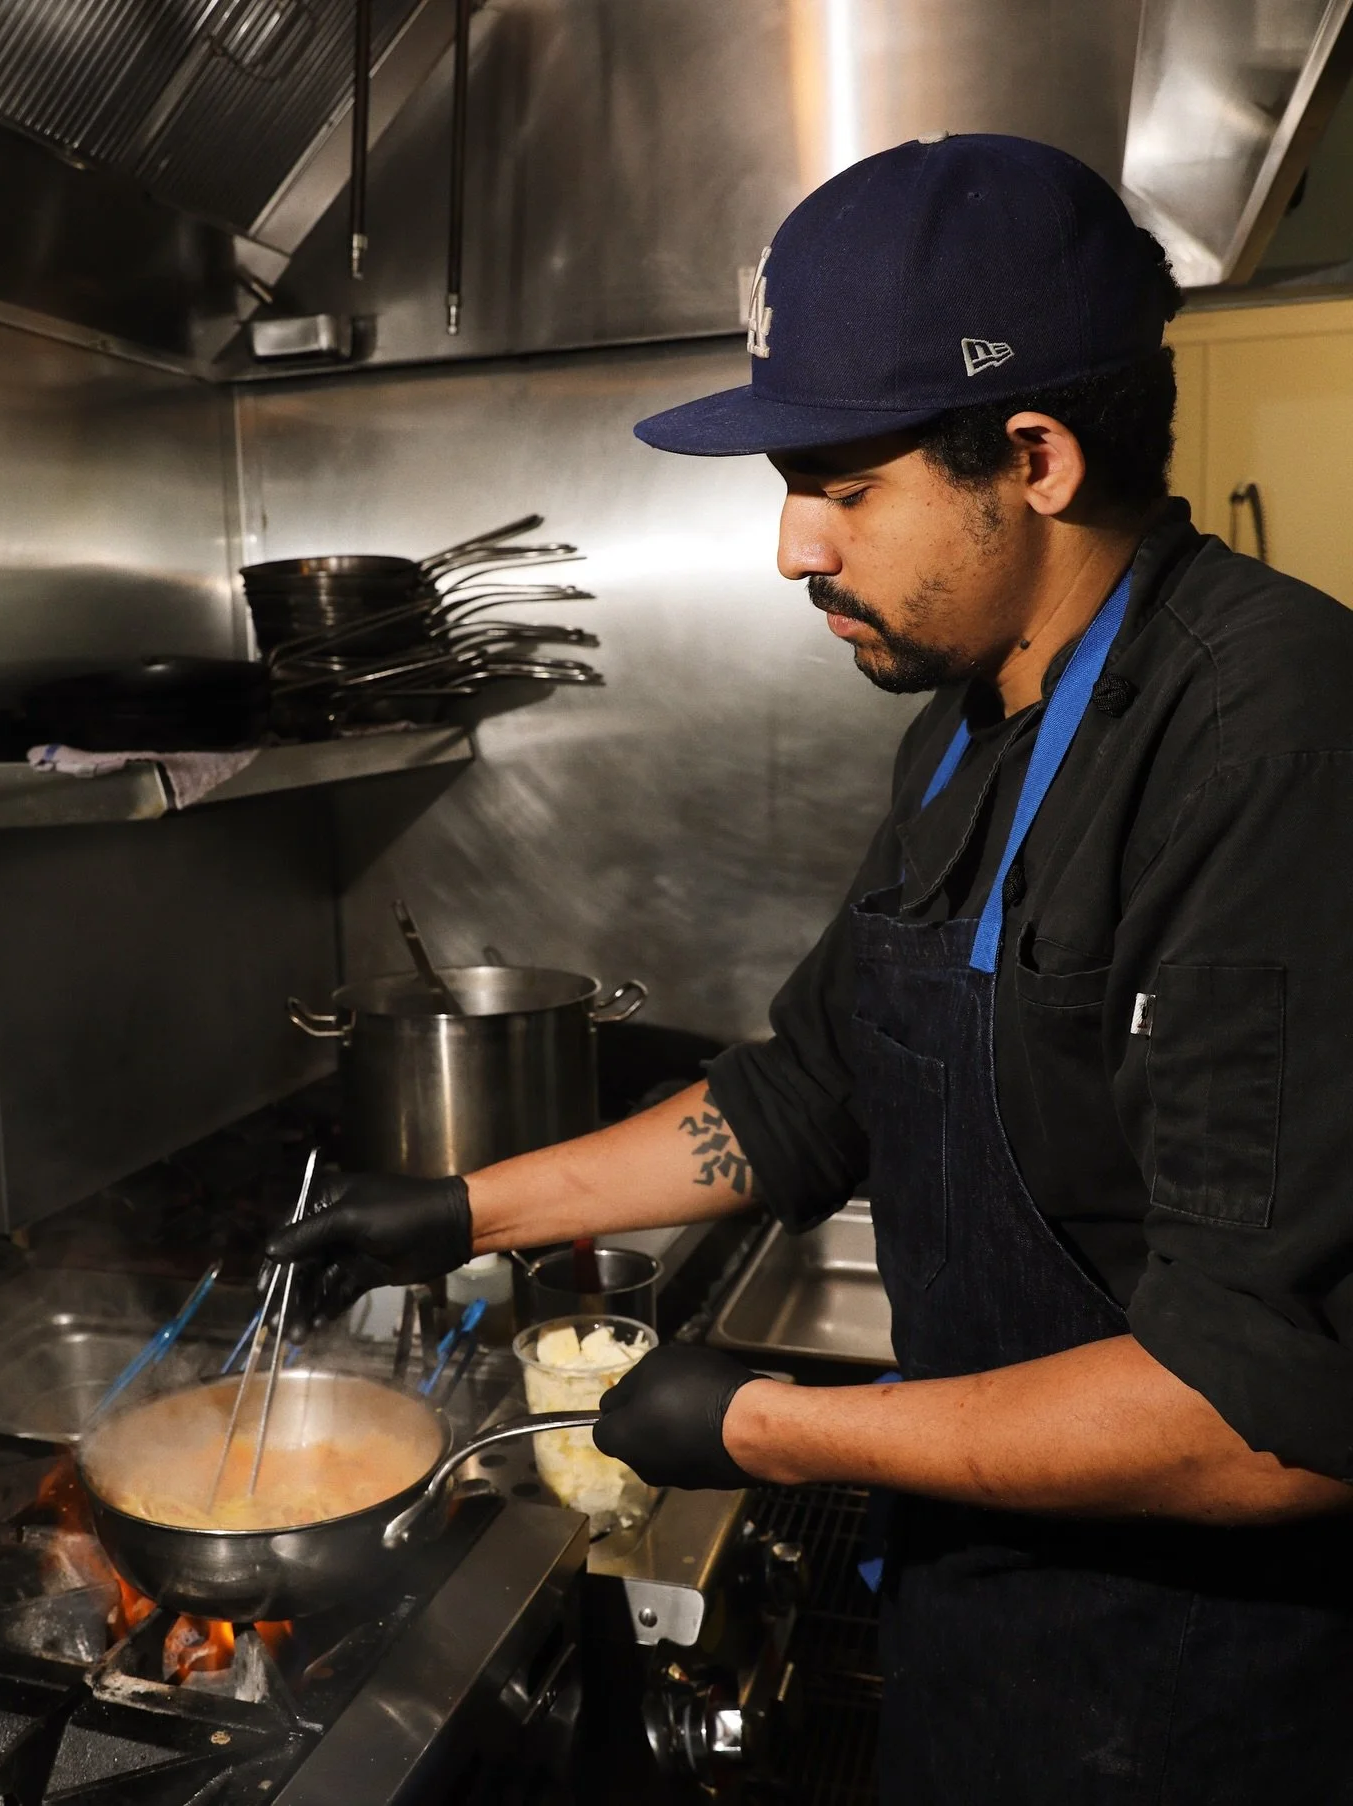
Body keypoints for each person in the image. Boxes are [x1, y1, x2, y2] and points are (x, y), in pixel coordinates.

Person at [269, 136, 1353, 1803]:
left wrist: (759, 1423)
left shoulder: (1268, 745)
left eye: (840, 487)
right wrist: (462, 1208)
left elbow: (1263, 1420)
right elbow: (805, 1094)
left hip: (1197, 1701)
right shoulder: (967, 724)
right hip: (983, 1633)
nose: (792, 548)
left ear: (1036, 457)